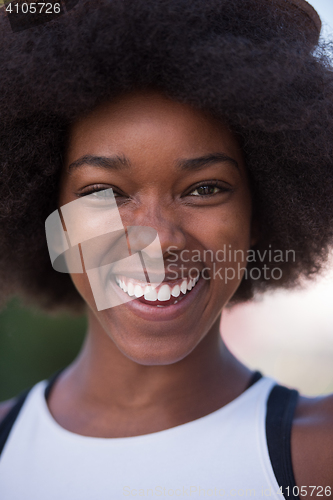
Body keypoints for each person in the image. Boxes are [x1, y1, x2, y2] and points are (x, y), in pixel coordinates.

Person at [0, 0, 332, 498]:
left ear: (259, 213)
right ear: (56, 221)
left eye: (204, 188)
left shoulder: (318, 459)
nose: (157, 240)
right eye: (104, 192)